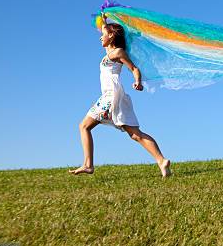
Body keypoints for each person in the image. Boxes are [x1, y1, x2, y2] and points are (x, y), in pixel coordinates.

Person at [69, 16, 171, 177]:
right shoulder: (109, 52)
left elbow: (134, 68)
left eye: (104, 34)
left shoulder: (117, 52)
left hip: (110, 97)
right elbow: (104, 30)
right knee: (135, 135)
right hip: (112, 97)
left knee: (84, 126)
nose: (100, 37)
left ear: (112, 36)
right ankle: (161, 160)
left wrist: (138, 81)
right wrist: (104, 17)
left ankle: (88, 164)